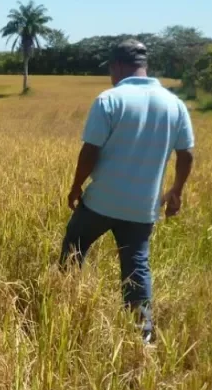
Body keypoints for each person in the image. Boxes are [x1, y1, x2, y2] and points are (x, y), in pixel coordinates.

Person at [59, 39, 195, 344]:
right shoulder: (174, 104)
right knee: (136, 266)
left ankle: (61, 306)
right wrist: (176, 190)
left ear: (117, 65)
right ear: (143, 65)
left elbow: (90, 150)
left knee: (74, 245)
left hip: (101, 202)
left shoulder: (110, 99)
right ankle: (143, 336)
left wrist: (76, 185)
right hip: (142, 209)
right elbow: (186, 155)